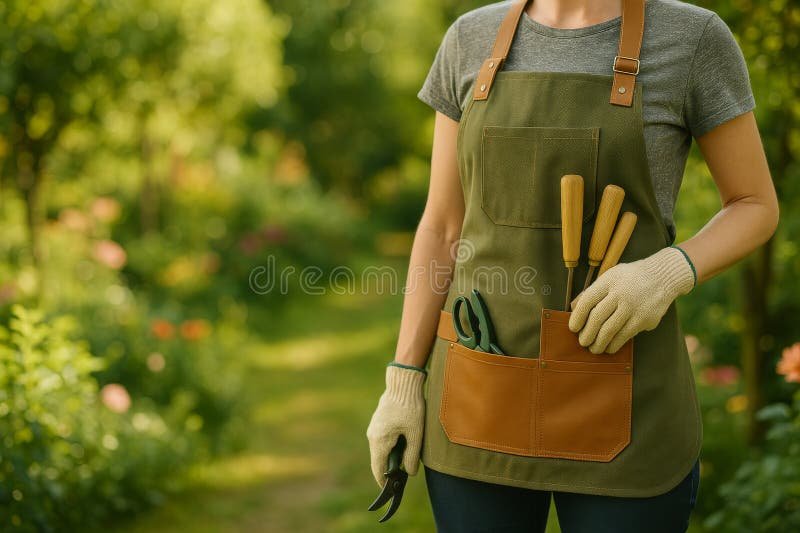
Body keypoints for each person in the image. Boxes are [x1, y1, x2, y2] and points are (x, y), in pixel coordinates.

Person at [366, 0, 779, 531]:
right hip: (479, 399)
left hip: (626, 405)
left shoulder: (692, 39)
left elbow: (754, 205)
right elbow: (443, 227)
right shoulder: (471, 38)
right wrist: (403, 379)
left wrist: (666, 271)